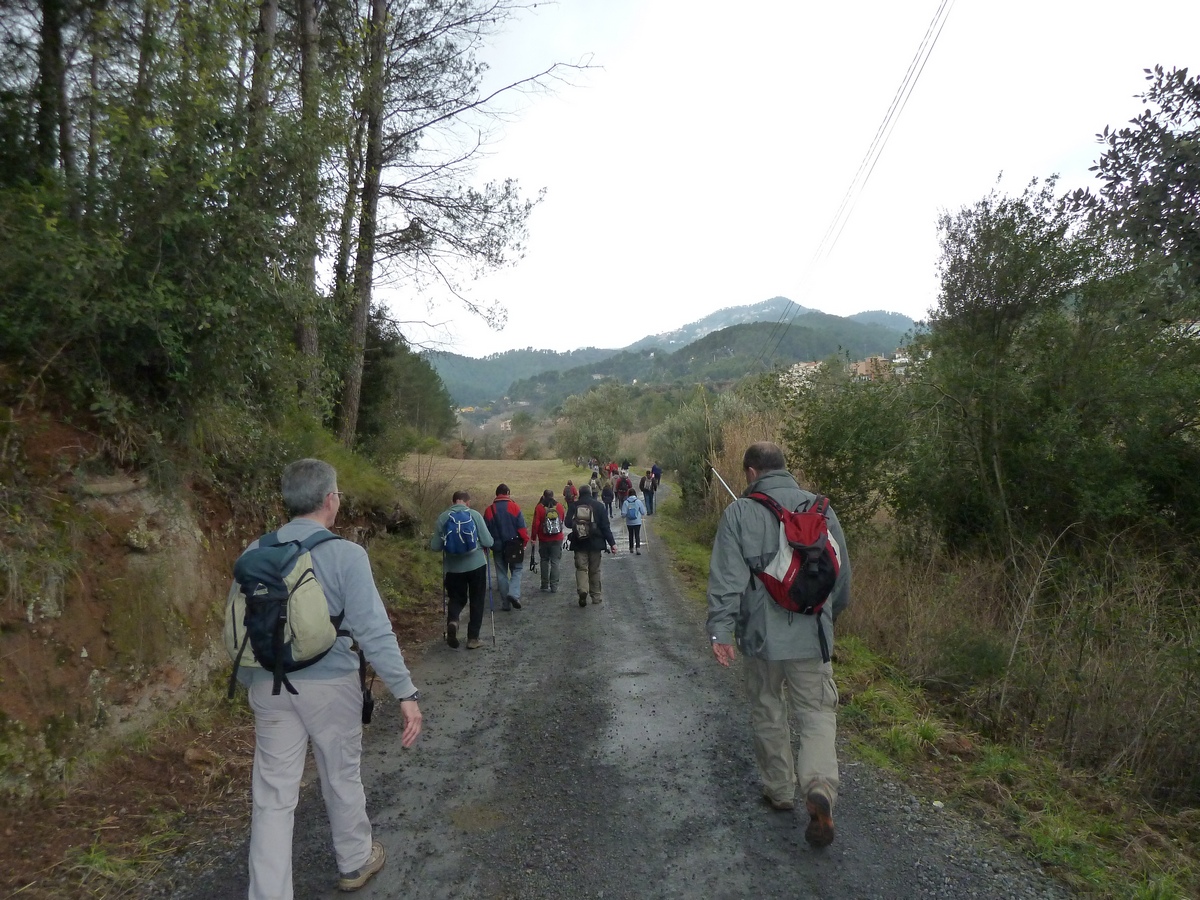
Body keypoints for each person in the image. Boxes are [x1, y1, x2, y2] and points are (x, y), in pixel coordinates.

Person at [235, 458, 422, 897]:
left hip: (268, 683)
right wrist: (405, 692)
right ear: (329, 499)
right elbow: (373, 631)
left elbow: (242, 626)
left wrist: (253, 684)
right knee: (340, 776)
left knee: (273, 797)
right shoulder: (346, 554)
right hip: (331, 686)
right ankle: (355, 861)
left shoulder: (254, 550)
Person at [706, 441, 851, 849]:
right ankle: (819, 786)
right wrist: (828, 621)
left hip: (761, 637)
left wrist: (720, 631)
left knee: (768, 707)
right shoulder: (821, 509)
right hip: (812, 635)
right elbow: (842, 580)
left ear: (752, 473)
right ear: (785, 468)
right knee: (817, 712)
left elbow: (726, 581)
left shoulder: (739, 513)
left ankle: (780, 790)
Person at [430, 489, 495, 650]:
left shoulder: (443, 517)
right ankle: (473, 638)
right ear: (468, 502)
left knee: (456, 598)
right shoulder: (474, 515)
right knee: (477, 600)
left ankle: (453, 621)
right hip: (476, 565)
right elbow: (488, 542)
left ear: (453, 502)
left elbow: (435, 546)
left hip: (453, 568)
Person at [564, 484, 617, 608]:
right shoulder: (599, 506)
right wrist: (612, 544)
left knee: (581, 569)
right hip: (596, 543)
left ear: (579, 493)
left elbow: (567, 523)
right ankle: (596, 597)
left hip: (579, 543)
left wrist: (577, 524)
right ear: (590, 492)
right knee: (594, 570)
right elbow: (605, 527)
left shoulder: (574, 506)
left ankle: (583, 590)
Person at [484, 484, 529, 611]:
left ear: (496, 494)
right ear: (508, 493)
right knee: (517, 569)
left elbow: (485, 531)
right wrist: (525, 541)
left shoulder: (489, 510)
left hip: (497, 546)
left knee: (501, 573)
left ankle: (505, 603)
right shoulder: (514, 507)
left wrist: (486, 546)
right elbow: (522, 528)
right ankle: (513, 593)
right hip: (514, 545)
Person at [530, 488, 566, 593]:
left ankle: (544, 584)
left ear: (543, 496)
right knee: (555, 562)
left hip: (544, 539)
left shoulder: (539, 508)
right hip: (557, 538)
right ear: (553, 496)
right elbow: (562, 519)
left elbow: (535, 524)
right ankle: (554, 586)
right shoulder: (559, 507)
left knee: (544, 560)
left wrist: (533, 538)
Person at [620, 486, 647, 554]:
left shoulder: (626, 502)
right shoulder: (638, 501)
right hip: (637, 522)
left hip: (629, 522)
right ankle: (638, 548)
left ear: (628, 494)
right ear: (635, 494)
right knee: (637, 534)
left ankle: (631, 548)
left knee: (630, 534)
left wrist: (623, 516)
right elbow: (643, 512)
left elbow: (623, 513)